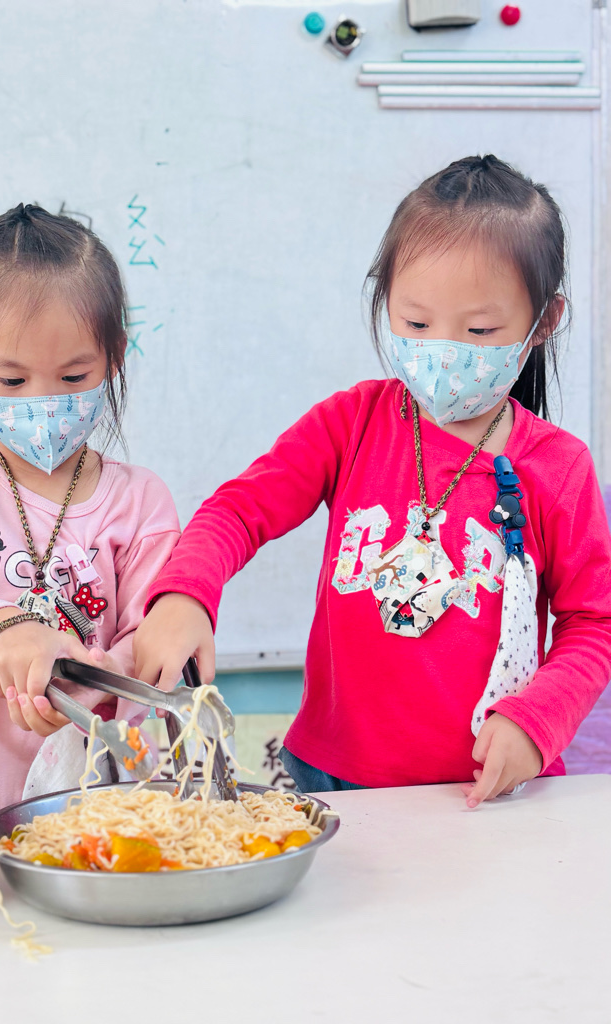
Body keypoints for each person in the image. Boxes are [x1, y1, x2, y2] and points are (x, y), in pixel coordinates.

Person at [133, 155, 611, 808]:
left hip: (487, 793)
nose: (442, 348)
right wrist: (185, 594)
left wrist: (538, 723)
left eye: (479, 330)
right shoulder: (350, 424)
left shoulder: (558, 467)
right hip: (334, 780)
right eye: (415, 323)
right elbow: (239, 511)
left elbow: (594, 625)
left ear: (544, 320)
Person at [0, 204, 180, 818]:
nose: (45, 401)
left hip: (102, 801)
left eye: (74, 377)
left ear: (114, 355)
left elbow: (153, 635)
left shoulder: (140, 500)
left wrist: (94, 676)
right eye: (13, 382)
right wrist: (2, 626)